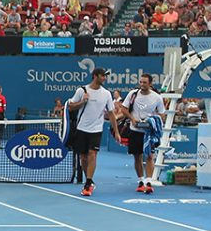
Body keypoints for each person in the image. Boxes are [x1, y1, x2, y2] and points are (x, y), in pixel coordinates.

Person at [67, 68, 122, 196]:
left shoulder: (107, 94)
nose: (105, 78)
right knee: (83, 157)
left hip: (96, 130)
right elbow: (70, 107)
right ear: (95, 76)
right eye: (103, 76)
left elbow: (111, 114)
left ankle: (88, 182)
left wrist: (117, 131)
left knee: (92, 154)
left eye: (105, 76)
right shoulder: (82, 90)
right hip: (81, 129)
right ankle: (89, 180)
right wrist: (83, 101)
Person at [122, 74, 165, 194]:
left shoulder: (157, 97)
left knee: (150, 156)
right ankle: (141, 181)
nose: (142, 84)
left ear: (150, 83)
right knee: (137, 157)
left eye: (144, 82)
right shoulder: (133, 94)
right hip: (135, 130)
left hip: (149, 133)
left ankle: (149, 182)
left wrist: (152, 122)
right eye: (140, 82)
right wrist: (132, 119)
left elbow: (162, 114)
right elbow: (123, 109)